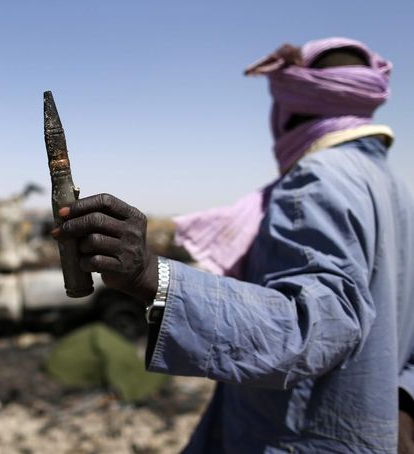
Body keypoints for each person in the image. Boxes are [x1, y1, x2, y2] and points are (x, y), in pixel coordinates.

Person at [52, 37, 414, 453]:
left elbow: (312, 327)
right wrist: (401, 402)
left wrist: (150, 275)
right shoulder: (394, 188)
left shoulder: (317, 181)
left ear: (291, 104)